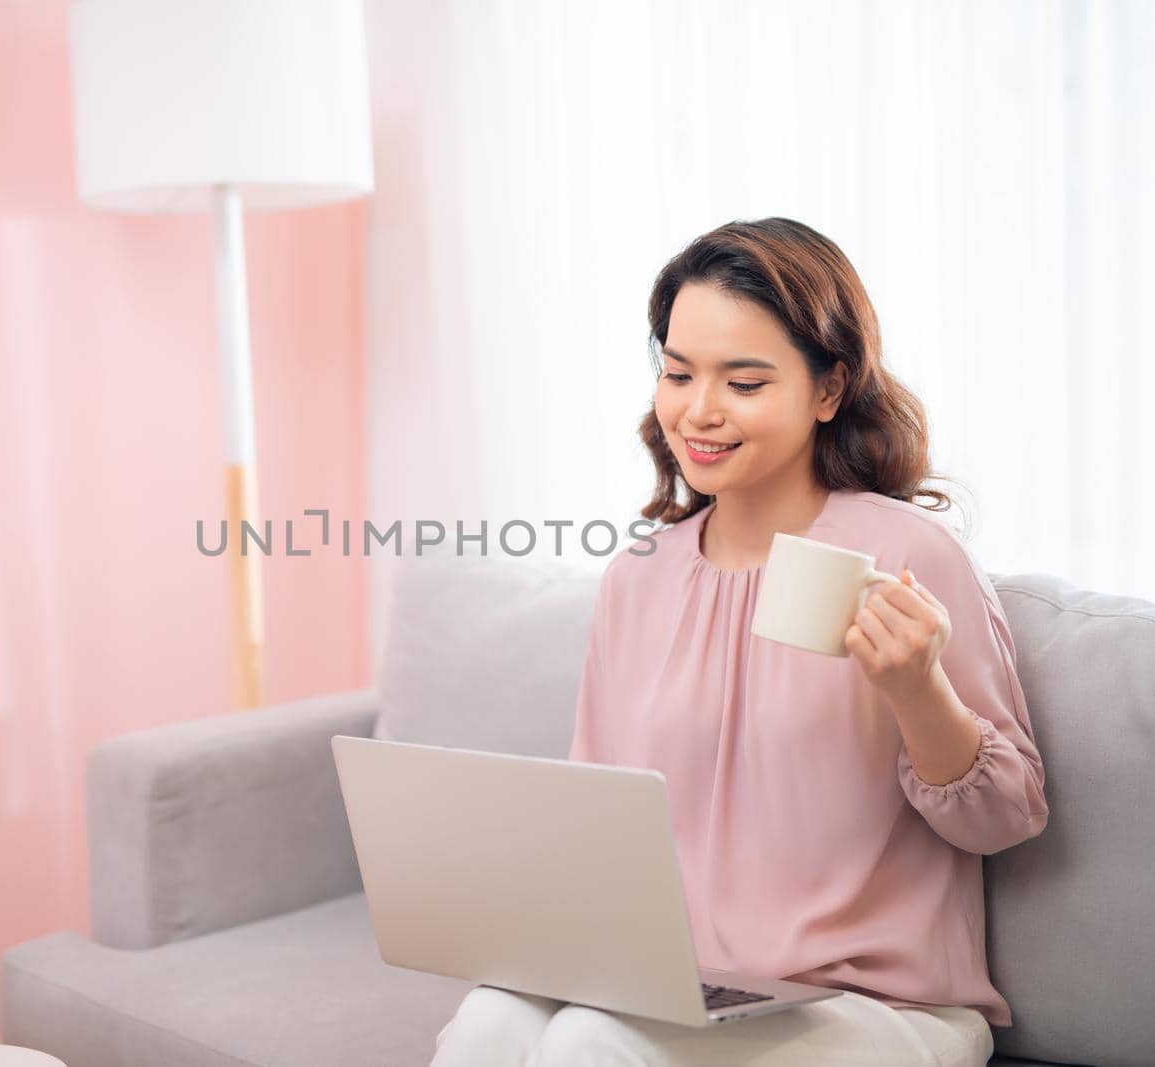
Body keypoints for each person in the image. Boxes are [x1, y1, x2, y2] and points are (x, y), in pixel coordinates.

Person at [429, 218, 1049, 1067]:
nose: (700, 409)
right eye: (678, 373)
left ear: (828, 389)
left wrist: (916, 688)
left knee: (592, 1043)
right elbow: (599, 826)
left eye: (744, 382)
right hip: (685, 986)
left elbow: (1004, 817)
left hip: (874, 1003)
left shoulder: (904, 555)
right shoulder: (641, 578)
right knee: (490, 1020)